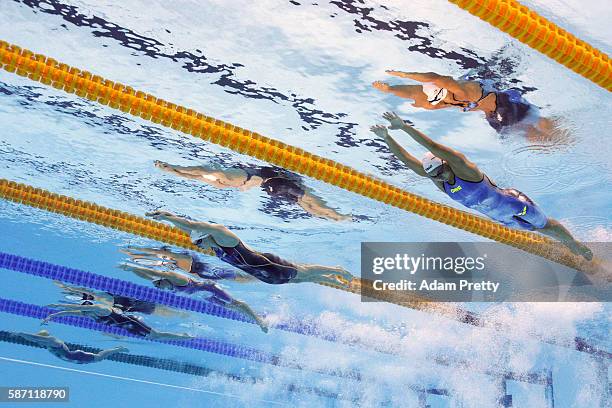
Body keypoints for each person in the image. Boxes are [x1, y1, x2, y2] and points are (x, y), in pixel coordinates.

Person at [370, 111, 592, 260]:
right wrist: (387, 138)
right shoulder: (440, 181)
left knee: (546, 226)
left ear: (446, 164)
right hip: (501, 217)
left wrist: (404, 127)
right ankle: (565, 249)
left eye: (440, 171)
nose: (438, 177)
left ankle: (575, 245)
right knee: (533, 230)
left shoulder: (465, 170)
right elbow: (410, 162)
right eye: (433, 175)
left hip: (513, 203)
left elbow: (433, 145)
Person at [145, 210, 355, 286]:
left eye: (199, 242)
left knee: (304, 272)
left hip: (269, 265)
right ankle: (329, 279)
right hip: (266, 276)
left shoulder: (223, 237)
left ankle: (336, 270)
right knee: (300, 280)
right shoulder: (215, 249)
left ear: (206, 236)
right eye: (197, 244)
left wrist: (167, 217)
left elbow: (193, 225)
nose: (199, 246)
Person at [373, 71, 567, 141]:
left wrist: (408, 74)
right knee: (532, 139)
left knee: (539, 132)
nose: (440, 103)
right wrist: (390, 89)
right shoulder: (443, 101)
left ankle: (567, 133)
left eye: (440, 98)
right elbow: (413, 92)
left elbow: (441, 79)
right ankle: (561, 138)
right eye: (437, 101)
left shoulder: (462, 91)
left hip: (507, 106)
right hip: (495, 117)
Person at [155, 161, 351, 221]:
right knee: (311, 203)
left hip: (270, 187)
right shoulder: (228, 179)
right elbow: (200, 172)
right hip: (274, 184)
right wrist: (173, 169)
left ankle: (335, 218)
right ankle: (338, 216)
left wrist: (174, 171)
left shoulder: (223, 183)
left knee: (308, 207)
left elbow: (197, 175)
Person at [119, 262, 269, 333]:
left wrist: (135, 266)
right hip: (206, 296)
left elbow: (160, 274)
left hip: (210, 289)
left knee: (236, 304)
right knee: (231, 308)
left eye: (158, 283)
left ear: (163, 278)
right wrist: (132, 269)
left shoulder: (176, 279)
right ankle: (258, 316)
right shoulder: (166, 284)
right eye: (156, 284)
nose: (157, 287)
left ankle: (259, 321)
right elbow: (147, 276)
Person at [41, 302, 193, 340]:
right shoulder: (89, 315)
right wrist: (52, 316)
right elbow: (70, 313)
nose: (85, 313)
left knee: (156, 335)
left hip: (131, 322)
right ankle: (182, 335)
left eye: (87, 310)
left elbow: (71, 307)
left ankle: (184, 335)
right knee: (154, 337)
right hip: (126, 326)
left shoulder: (101, 309)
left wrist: (59, 305)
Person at [120, 246, 255, 282]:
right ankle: (256, 279)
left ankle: (256, 278)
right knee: (238, 278)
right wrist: (133, 255)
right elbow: (153, 257)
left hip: (207, 271)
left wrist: (136, 250)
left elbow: (154, 253)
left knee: (239, 278)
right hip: (203, 274)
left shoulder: (178, 256)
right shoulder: (169, 261)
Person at [17, 330, 127, 364]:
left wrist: (21, 333)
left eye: (42, 339)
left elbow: (35, 338)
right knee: (98, 359)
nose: (41, 342)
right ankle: (117, 349)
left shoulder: (52, 341)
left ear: (44, 337)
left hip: (76, 356)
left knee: (98, 358)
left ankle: (118, 349)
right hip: (74, 359)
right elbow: (34, 339)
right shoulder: (47, 343)